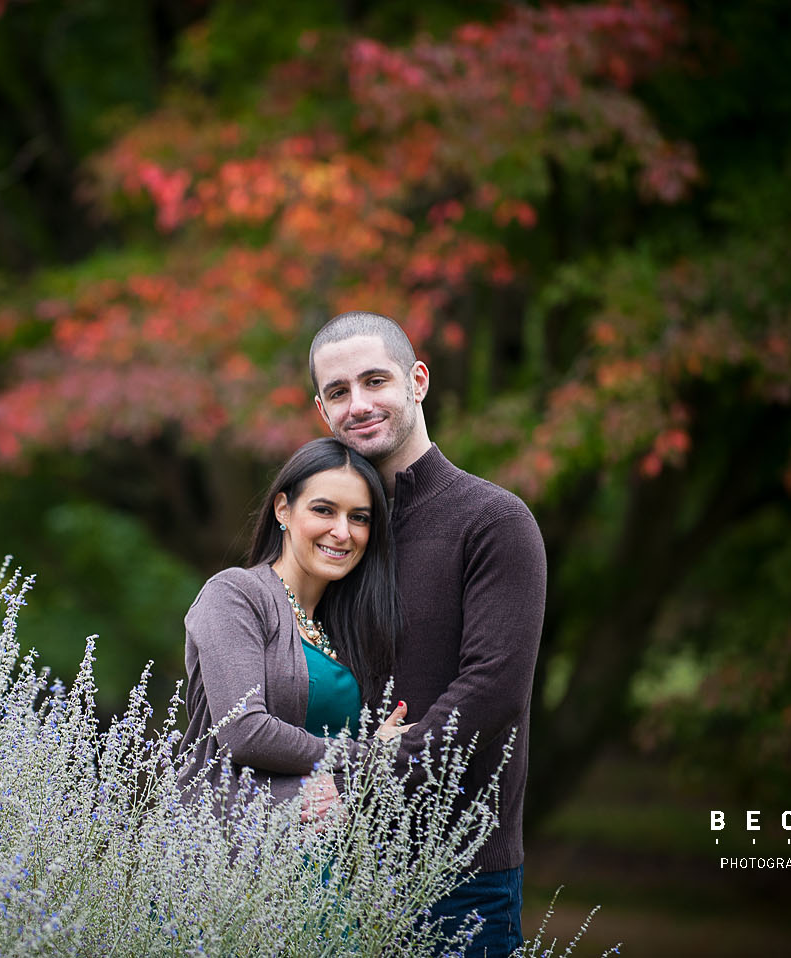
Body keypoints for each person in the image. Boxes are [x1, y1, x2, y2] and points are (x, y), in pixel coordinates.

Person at [307, 310, 547, 958]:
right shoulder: (338, 536)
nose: (358, 404)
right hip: (328, 873)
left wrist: (356, 778)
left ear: (417, 380)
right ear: (321, 410)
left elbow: (492, 691)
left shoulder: (494, 521)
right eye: (337, 392)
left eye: (374, 380)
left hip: (459, 877)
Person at [178, 437, 411, 809]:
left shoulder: (346, 625)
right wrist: (368, 755)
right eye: (324, 510)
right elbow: (243, 732)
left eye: (359, 517)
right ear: (283, 510)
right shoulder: (235, 595)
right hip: (243, 852)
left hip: (331, 852)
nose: (342, 531)